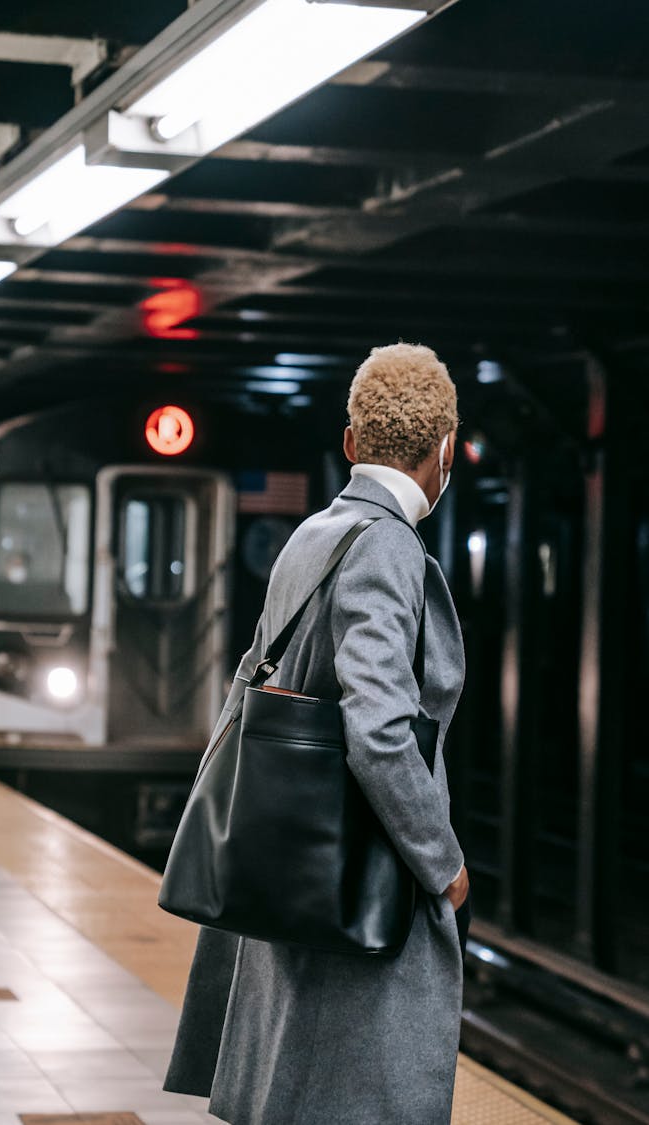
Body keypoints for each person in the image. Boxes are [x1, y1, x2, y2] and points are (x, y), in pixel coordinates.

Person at [164, 341, 471, 1124]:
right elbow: (377, 724)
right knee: (362, 1093)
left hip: (287, 859)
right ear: (443, 450)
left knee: (292, 1085)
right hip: (352, 874)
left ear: (350, 444)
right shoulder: (388, 548)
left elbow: (246, 683)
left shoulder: (314, 534)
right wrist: (441, 860)